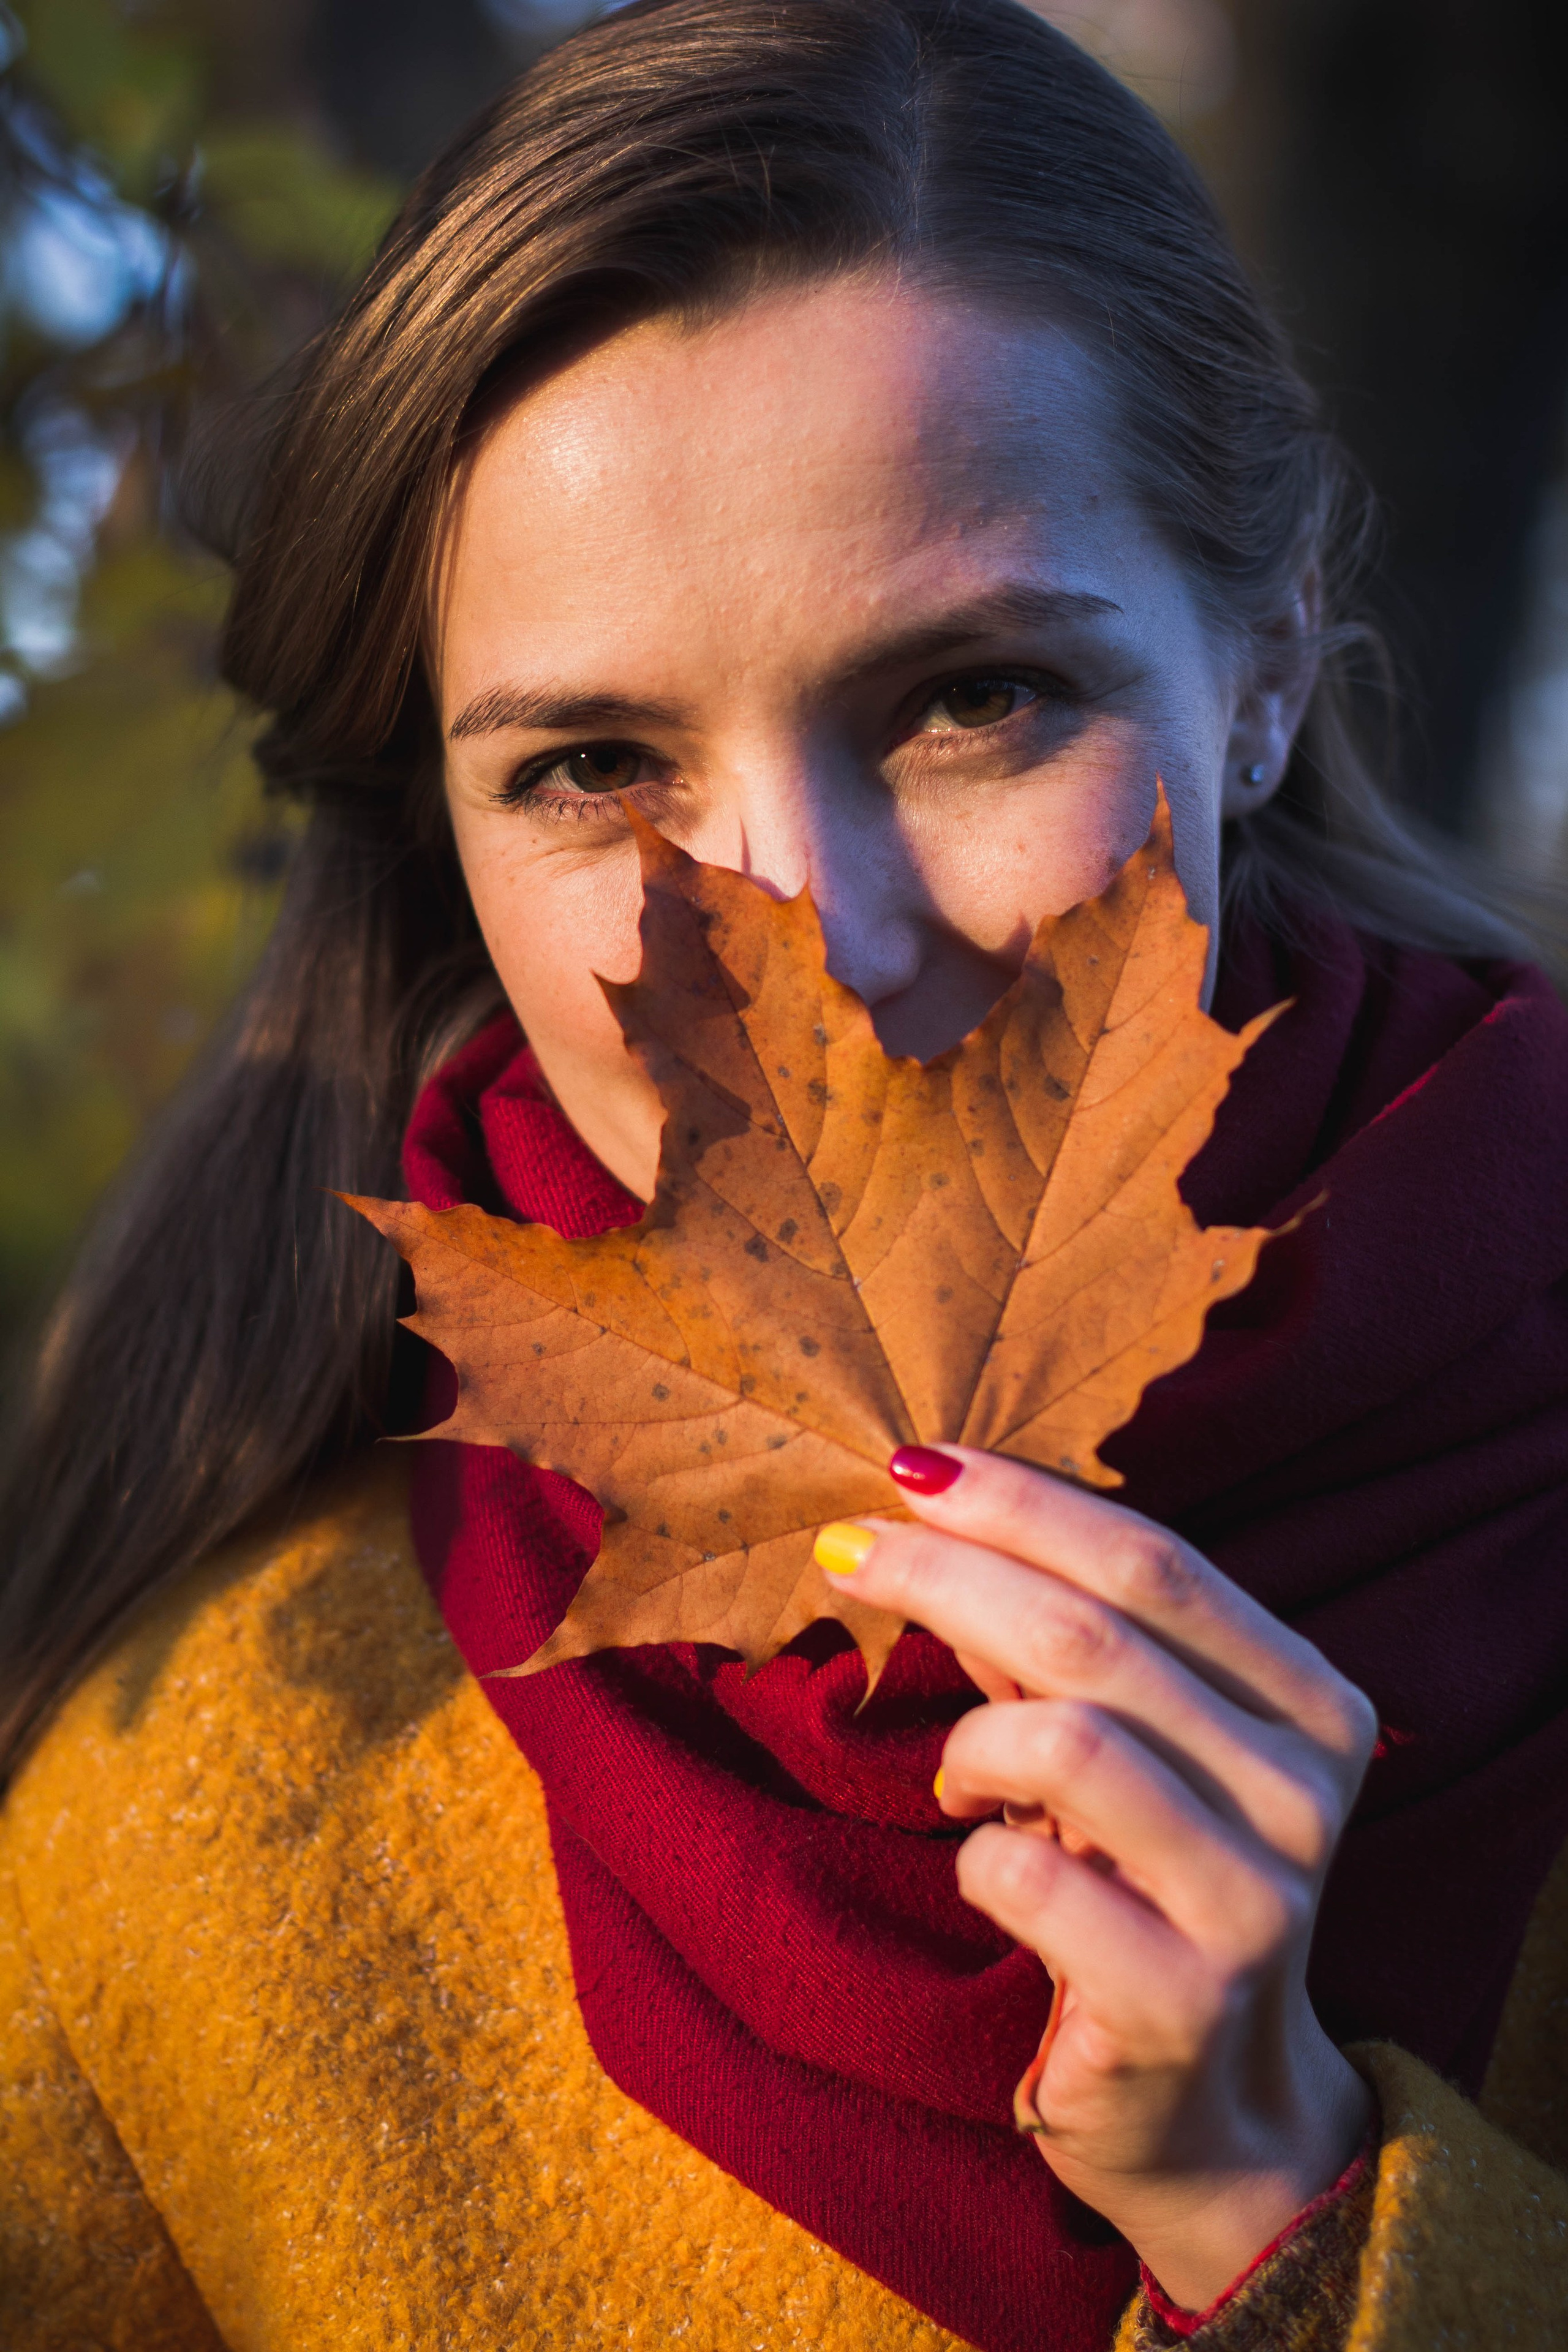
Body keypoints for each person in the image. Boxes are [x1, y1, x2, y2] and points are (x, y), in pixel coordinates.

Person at [3, 2, 1567, 2345]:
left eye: (974, 698)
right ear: (444, 818)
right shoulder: (183, 1821)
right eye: (598, 763)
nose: (805, 938)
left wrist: (1285, 2211)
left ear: (1255, 669)